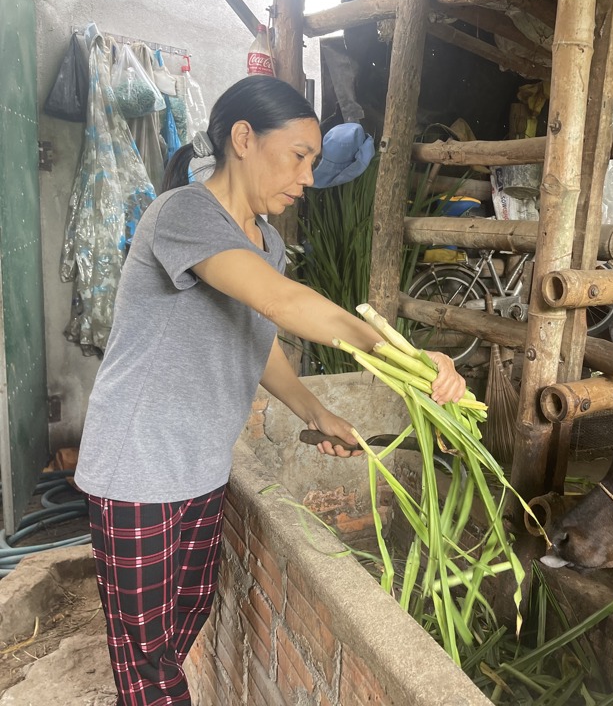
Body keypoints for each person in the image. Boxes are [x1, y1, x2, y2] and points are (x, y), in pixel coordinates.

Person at [74, 75, 465, 705]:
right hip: (137, 468)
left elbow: (258, 343)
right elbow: (281, 303)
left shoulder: (269, 242)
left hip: (201, 468)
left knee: (177, 634)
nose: (308, 178)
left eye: (312, 162)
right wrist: (408, 356)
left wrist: (318, 410)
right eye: (300, 157)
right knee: (152, 671)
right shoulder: (183, 214)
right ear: (243, 138)